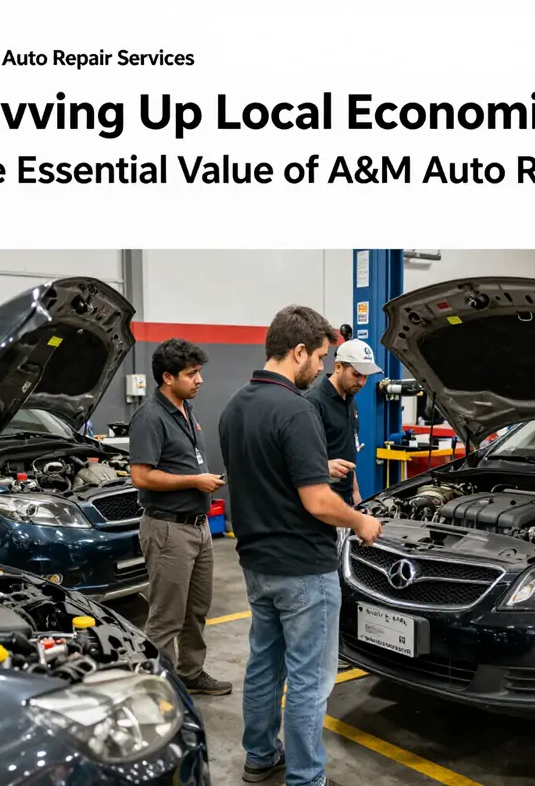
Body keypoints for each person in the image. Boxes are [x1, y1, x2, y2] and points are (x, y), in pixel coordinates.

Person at [219, 305, 383, 786]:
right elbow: (316, 501)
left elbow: (260, 480)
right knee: (311, 680)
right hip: (304, 570)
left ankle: (259, 757)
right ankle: (307, 777)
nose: (321, 366)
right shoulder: (296, 410)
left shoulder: (234, 407)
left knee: (264, 666)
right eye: (320, 356)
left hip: (256, 563)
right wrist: (360, 522)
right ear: (298, 352)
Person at [129, 338, 232, 697]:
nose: (199, 380)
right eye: (192, 374)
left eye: (199, 372)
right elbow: (141, 476)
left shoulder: (187, 410)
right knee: (166, 615)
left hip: (198, 526)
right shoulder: (150, 417)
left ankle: (190, 671)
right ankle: (157, 684)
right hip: (168, 528)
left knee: (196, 609)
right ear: (167, 377)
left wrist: (205, 481)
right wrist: (194, 481)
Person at [306, 338, 383, 509]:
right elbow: (302, 460)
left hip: (346, 500)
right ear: (338, 367)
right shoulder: (313, 403)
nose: (362, 382)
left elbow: (347, 450)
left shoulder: (350, 401)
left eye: (366, 376)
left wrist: (355, 493)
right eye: (356, 374)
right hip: (322, 502)